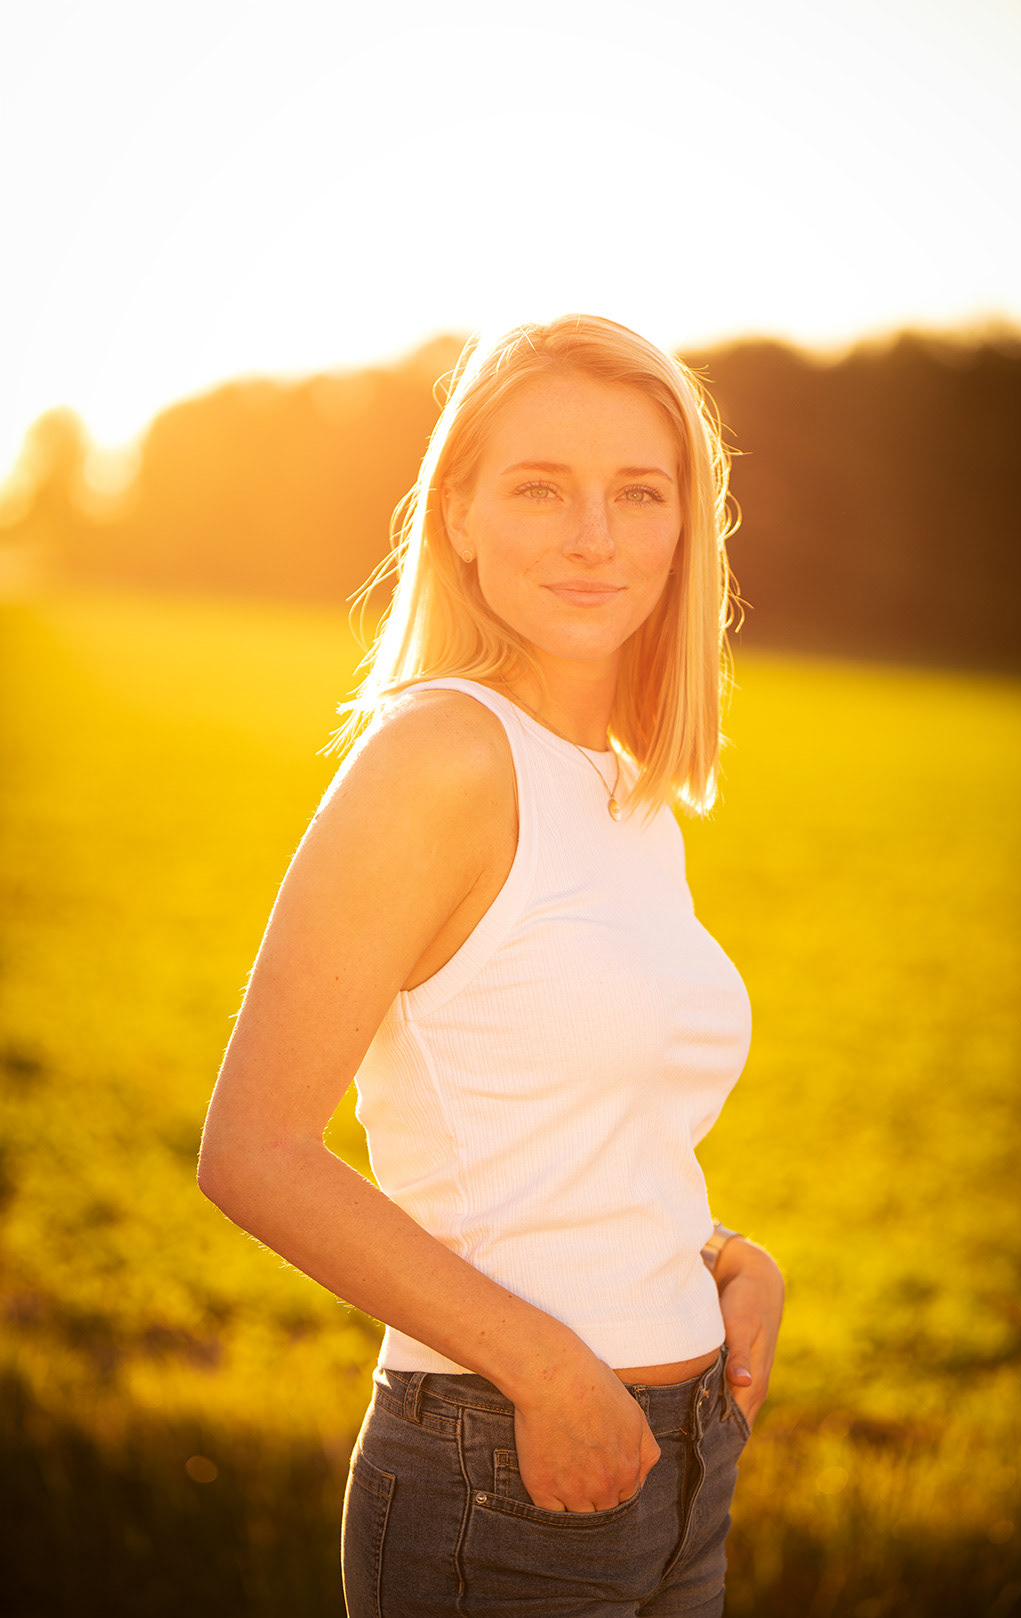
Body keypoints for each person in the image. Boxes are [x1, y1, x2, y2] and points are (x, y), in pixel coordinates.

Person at [197, 313, 785, 1616]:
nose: (595, 536)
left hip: (682, 1457)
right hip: (504, 1471)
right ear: (456, 511)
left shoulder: (631, 792)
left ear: (688, 523)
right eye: (540, 488)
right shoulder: (441, 756)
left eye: (639, 492)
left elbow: (564, 1126)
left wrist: (720, 1252)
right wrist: (552, 1370)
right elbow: (254, 1149)